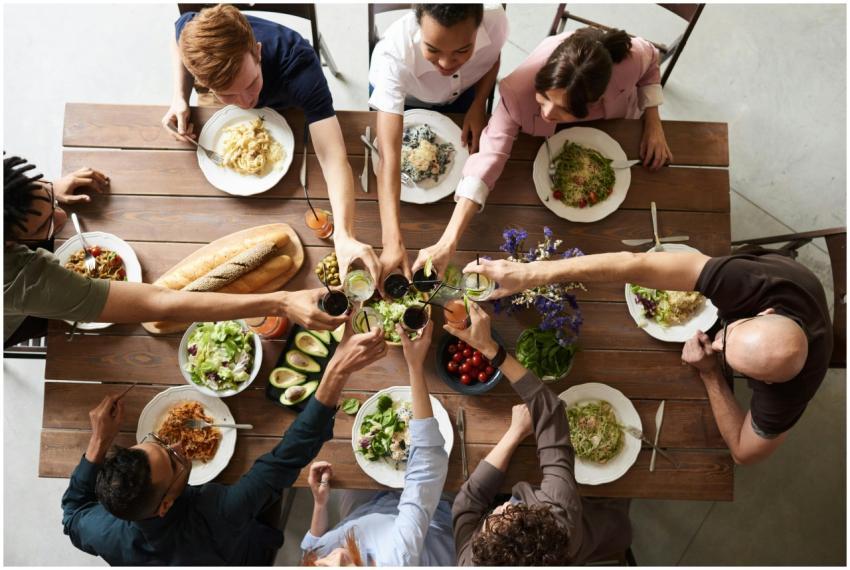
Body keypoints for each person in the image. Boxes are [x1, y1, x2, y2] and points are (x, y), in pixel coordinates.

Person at [463, 248, 833, 465]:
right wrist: (532, 273)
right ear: (764, 312)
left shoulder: (789, 394)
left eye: (725, 354)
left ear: (766, 383)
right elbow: (634, 263)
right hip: (772, 275)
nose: (715, 341)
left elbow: (743, 451)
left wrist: (709, 374)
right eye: (728, 335)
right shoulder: (755, 283)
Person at [61, 323, 388, 565]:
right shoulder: (220, 513)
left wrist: (100, 440)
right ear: (163, 506)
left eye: (157, 443)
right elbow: (288, 456)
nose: (177, 446)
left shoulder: (104, 532)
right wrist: (337, 370)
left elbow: (72, 513)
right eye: (174, 462)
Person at [3, 155, 346, 348]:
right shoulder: (22, 279)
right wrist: (282, 301)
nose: (64, 218)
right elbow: (158, 302)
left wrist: (46, 195)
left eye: (47, 197)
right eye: (45, 227)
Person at [414, 27, 672, 277]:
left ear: (593, 101)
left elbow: (651, 62)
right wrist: (448, 241)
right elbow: (488, 158)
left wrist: (653, 121)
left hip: (615, 129)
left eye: (562, 109)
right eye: (544, 97)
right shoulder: (516, 91)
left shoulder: (630, 61)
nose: (547, 113)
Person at [162, 4, 381, 288]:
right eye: (228, 95)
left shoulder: (299, 66)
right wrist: (179, 97)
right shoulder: (195, 34)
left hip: (290, 108)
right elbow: (178, 31)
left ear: (258, 52)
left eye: (251, 83)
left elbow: (332, 156)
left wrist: (344, 234)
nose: (246, 103)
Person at [448, 302, 632, 565]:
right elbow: (551, 413)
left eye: (490, 522)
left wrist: (513, 434)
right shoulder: (560, 518)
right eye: (510, 513)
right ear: (540, 521)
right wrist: (491, 349)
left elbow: (467, 504)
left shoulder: (472, 561)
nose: (501, 508)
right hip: (601, 533)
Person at [369, 4, 507, 280]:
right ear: (417, 23)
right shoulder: (392, 56)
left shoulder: (495, 20)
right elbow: (389, 157)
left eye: (462, 50)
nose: (445, 64)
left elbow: (493, 58)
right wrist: (392, 242)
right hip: (408, 98)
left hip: (466, 92)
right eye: (433, 50)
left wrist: (479, 104)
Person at [300, 321, 456, 566]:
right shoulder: (398, 557)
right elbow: (426, 468)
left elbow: (311, 548)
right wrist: (415, 366)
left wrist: (320, 504)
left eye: (324, 565)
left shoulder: (319, 558)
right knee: (452, 462)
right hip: (434, 516)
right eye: (346, 566)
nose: (338, 555)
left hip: (368, 513)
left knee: (350, 461)